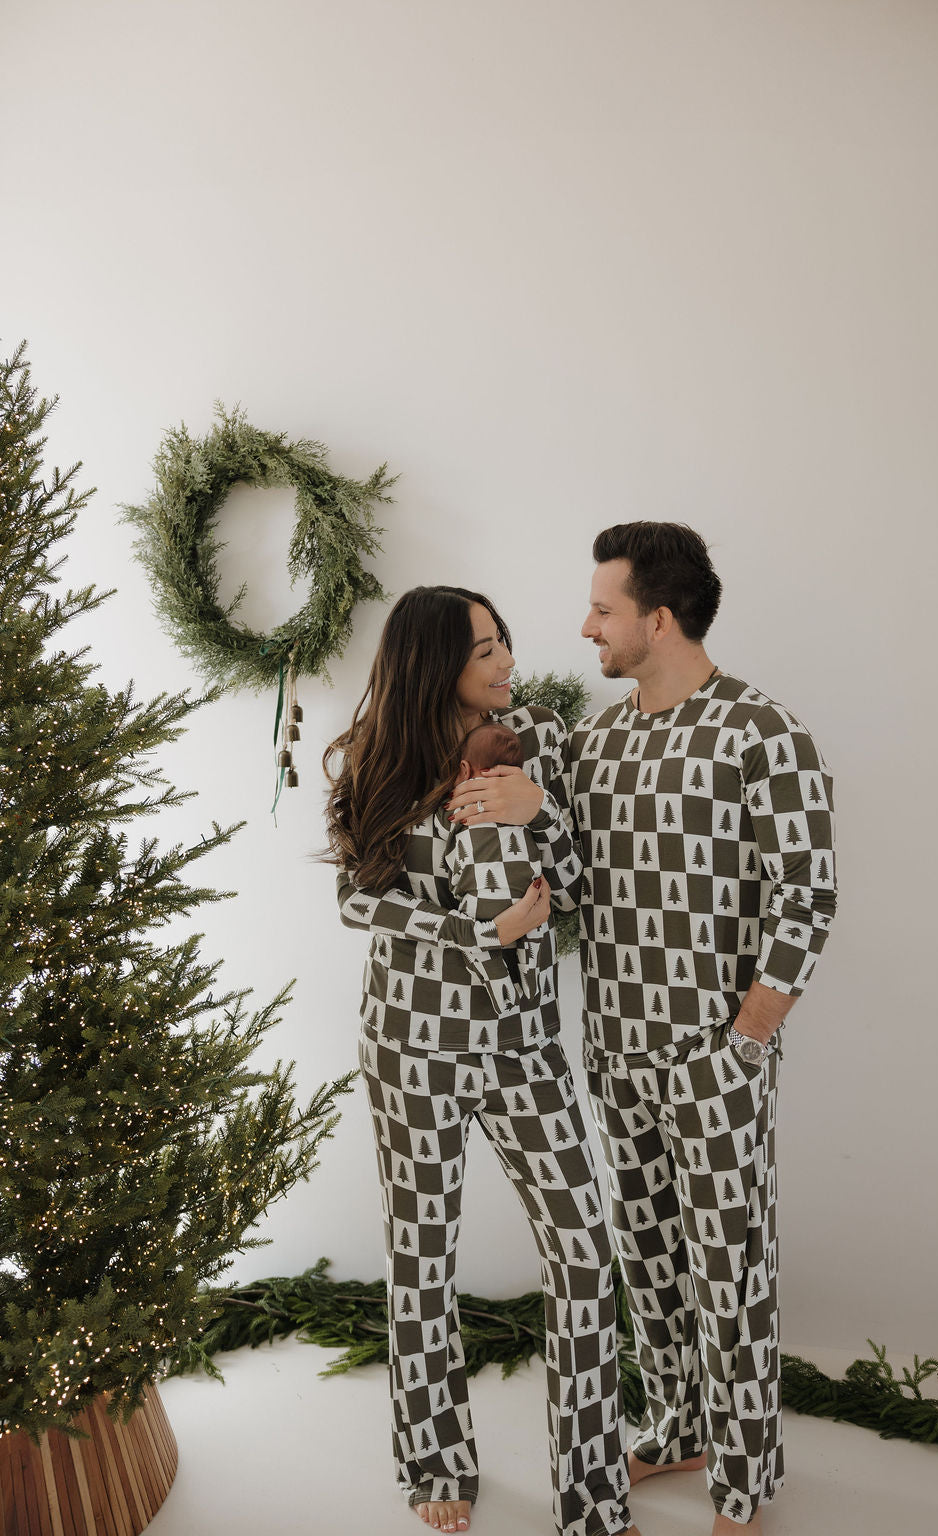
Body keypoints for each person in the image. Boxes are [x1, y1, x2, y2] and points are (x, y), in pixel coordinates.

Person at [325, 586, 637, 1536]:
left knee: (584, 1254)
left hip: (525, 1043)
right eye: (484, 652)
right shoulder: (380, 756)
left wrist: (539, 809)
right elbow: (358, 901)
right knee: (422, 1262)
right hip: (413, 1046)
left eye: (504, 643)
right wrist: (477, 929)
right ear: (434, 669)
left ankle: (590, 1492)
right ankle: (434, 1460)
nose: (507, 664)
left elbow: (585, 883)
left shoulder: (538, 734)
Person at [570, 523, 837, 1534]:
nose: (584, 625)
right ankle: (676, 1426)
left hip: (714, 1057)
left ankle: (746, 1474)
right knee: (648, 1258)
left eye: (602, 608)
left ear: (659, 618)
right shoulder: (599, 738)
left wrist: (750, 1031)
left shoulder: (760, 731)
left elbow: (805, 896)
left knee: (728, 1267)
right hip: (616, 1051)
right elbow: (588, 884)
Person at [443, 721, 544, 1013]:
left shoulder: (463, 809)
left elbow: (455, 852)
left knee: (478, 946)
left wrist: (454, 876)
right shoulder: (520, 806)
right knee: (531, 930)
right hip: (527, 891)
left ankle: (501, 995)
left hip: (482, 899)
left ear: (464, 768)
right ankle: (530, 979)